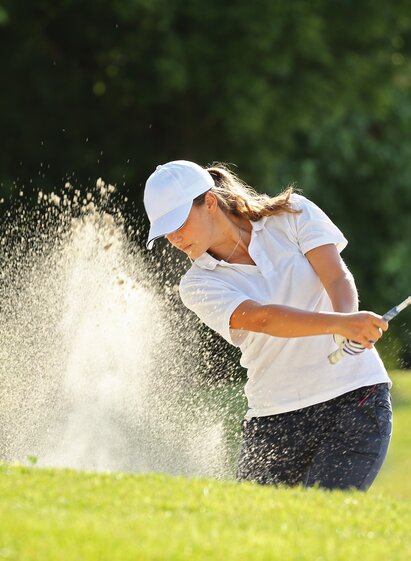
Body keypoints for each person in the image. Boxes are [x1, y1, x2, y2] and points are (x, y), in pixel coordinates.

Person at [143, 160, 393, 491]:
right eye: (166, 232)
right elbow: (263, 319)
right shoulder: (197, 283)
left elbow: (336, 277)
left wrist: (345, 323)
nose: (174, 238)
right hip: (274, 417)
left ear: (210, 202)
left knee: (324, 514)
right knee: (251, 522)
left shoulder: (292, 213)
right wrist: (341, 323)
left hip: (354, 399)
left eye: (179, 223)